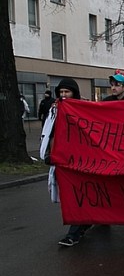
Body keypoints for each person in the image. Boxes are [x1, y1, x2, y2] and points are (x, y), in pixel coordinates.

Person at [41, 78, 93, 247]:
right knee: (71, 196)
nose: (63, 96)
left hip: (83, 162)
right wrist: (48, 153)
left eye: (67, 92)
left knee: (79, 196)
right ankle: (81, 225)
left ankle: (74, 232)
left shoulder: (84, 110)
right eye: (61, 92)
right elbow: (49, 133)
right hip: (64, 162)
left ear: (74, 93)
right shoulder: (54, 110)